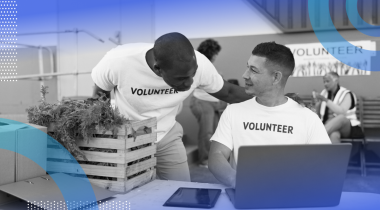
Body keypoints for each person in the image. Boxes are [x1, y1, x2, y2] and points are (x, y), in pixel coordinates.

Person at [91, 32, 252, 182]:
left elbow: (229, 92)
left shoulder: (200, 64)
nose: (189, 84)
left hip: (167, 134)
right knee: (137, 193)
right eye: (182, 78)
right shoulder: (119, 61)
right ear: (158, 69)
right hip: (130, 135)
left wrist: (270, 97)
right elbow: (100, 95)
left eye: (192, 75)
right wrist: (108, 135)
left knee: (182, 190)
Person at [208, 42, 331, 188]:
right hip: (244, 198)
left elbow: (325, 165)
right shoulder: (233, 111)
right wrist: (236, 181)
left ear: (276, 78)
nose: (245, 75)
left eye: (253, 70)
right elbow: (216, 156)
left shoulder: (308, 118)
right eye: (247, 67)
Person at [190, 39, 227, 168]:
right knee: (206, 132)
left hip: (213, 103)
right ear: (211, 52)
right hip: (202, 101)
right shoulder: (198, 63)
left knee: (215, 133)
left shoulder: (208, 64)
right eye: (216, 53)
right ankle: (204, 160)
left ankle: (213, 159)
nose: (217, 56)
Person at [314, 72, 364, 143]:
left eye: (327, 81)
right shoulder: (324, 93)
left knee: (341, 117)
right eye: (324, 82)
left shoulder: (347, 93)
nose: (325, 84)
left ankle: (316, 138)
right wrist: (316, 104)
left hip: (347, 127)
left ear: (336, 81)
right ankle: (336, 154)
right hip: (329, 126)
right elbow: (319, 114)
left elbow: (341, 112)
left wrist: (325, 100)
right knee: (334, 134)